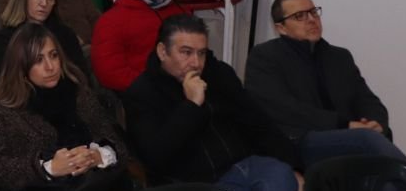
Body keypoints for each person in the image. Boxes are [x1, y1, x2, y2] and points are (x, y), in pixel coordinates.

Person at [124, 15, 301, 189]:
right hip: (195, 183)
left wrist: (294, 167)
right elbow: (155, 158)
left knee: (281, 174)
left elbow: (258, 121)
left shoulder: (219, 74)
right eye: (186, 52)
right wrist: (191, 105)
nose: (195, 63)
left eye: (201, 53)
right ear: (163, 52)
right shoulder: (142, 93)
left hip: (244, 165)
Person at [245, 0, 406, 166]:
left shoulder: (339, 57)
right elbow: (285, 110)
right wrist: (345, 125)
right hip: (297, 139)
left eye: (313, 12)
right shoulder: (264, 57)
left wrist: (376, 122)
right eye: (299, 16)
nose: (311, 19)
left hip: (343, 134)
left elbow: (366, 98)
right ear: (281, 28)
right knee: (366, 141)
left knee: (379, 138)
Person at [0, 23, 129, 191]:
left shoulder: (78, 91)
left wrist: (99, 155)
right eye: (38, 60)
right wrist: (48, 168)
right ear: (21, 66)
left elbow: (114, 139)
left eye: (53, 55)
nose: (50, 67)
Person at [90, 0, 186, 92]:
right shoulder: (111, 21)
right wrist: (153, 88)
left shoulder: (178, 9)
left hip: (182, 85)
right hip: (143, 95)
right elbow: (110, 74)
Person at [0, 0, 89, 85]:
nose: (44, 3)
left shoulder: (65, 34)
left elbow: (80, 75)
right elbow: (6, 79)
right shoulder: (6, 38)